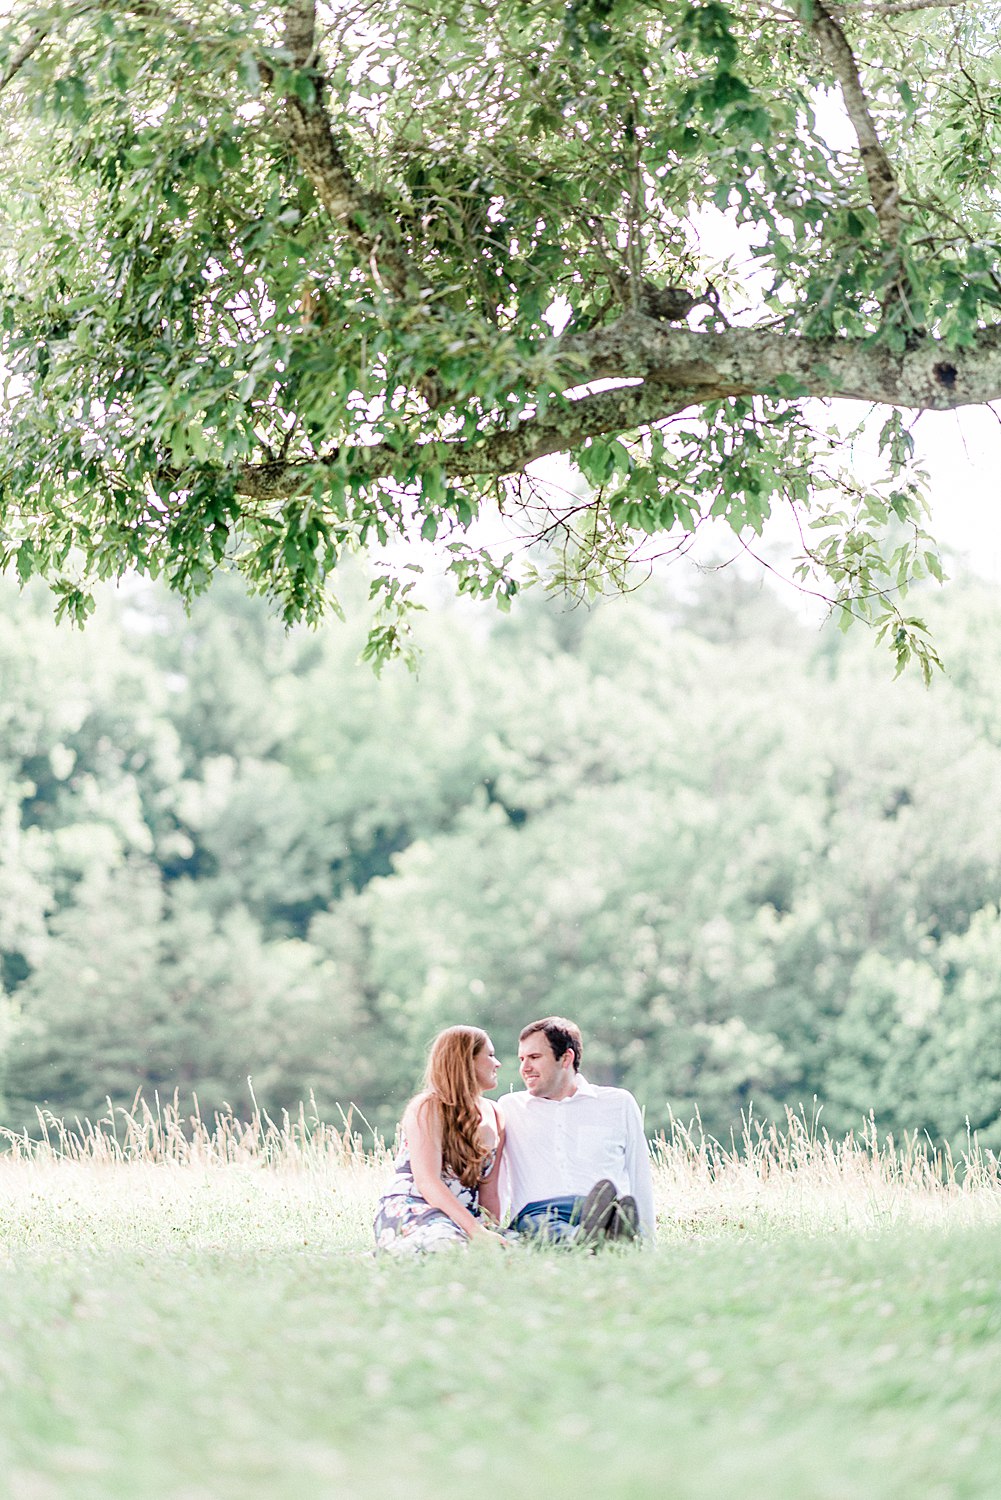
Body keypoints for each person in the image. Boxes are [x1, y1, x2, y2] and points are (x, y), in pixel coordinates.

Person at [500, 1016, 655, 1244]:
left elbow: (639, 1175)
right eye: (522, 1059)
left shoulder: (618, 1103)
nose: (524, 1068)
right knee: (535, 1222)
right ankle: (592, 1239)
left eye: (534, 1057)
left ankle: (604, 1233)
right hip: (539, 1214)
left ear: (566, 1058)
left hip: (602, 1210)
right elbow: (493, 1179)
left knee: (611, 1213)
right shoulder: (509, 1108)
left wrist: (648, 1241)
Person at [374, 1025, 507, 1254]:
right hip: (415, 1206)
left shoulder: (496, 1114)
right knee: (445, 1241)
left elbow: (489, 1190)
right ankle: (380, 1257)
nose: (498, 1063)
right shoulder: (428, 1108)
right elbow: (428, 1182)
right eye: (491, 1055)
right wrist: (476, 1231)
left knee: (518, 1244)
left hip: (465, 1216)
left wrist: (490, 1232)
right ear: (467, 1060)